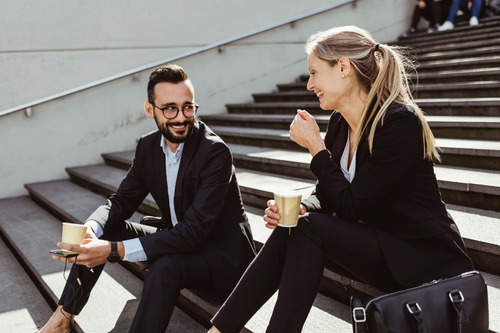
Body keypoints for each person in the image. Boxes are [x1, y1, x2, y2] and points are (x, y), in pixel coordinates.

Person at [208, 25, 474, 333]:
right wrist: (304, 207)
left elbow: (351, 205)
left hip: (421, 257)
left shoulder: (399, 123)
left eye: (314, 73)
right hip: (381, 247)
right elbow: (327, 193)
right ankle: (219, 331)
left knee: (305, 230)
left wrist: (317, 149)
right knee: (295, 226)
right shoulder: (339, 123)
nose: (309, 85)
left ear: (344, 67)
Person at [38, 64, 256, 333]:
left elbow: (193, 233)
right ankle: (62, 318)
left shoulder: (215, 153)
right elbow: (120, 202)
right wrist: (91, 230)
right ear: (149, 109)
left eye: (188, 107)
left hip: (220, 258)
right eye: (170, 108)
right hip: (180, 239)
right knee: (106, 229)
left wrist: (113, 250)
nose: (180, 117)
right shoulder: (147, 147)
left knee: (165, 266)